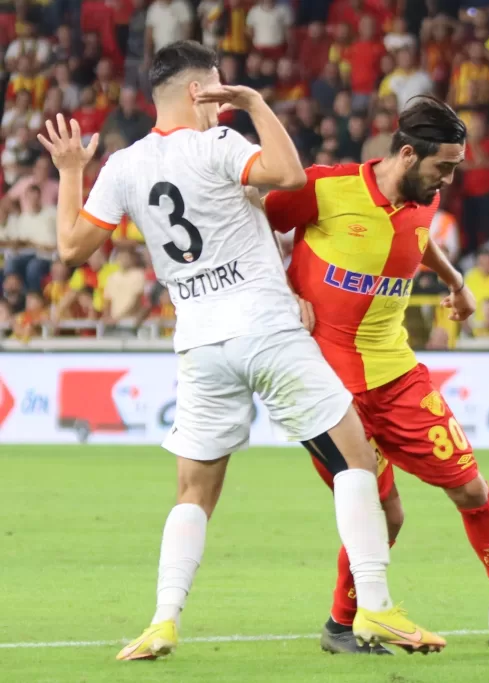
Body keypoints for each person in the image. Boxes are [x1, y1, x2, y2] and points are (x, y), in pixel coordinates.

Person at [38, 40, 444, 661]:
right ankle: (376, 606)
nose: (222, 101)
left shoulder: (122, 165)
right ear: (197, 90)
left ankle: (162, 622)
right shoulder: (220, 144)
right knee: (357, 461)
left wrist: (71, 170)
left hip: (200, 345)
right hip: (266, 330)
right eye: (218, 88)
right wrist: (254, 103)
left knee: (193, 493)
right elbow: (290, 176)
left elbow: (70, 249)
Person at [263, 96, 489, 655]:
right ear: (406, 155)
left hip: (398, 375)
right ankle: (342, 625)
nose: (448, 180)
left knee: (471, 488)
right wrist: (282, 291)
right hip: (327, 386)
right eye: (443, 167)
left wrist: (456, 283)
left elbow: (417, 240)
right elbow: (252, 224)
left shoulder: (424, 198)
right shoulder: (324, 188)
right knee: (386, 513)